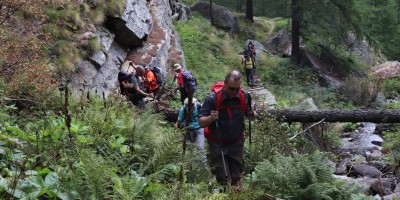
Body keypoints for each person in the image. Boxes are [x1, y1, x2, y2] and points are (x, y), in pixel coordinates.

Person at [198, 70, 256, 191]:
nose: (235, 92)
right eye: (231, 89)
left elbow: (252, 115)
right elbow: (201, 122)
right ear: (225, 83)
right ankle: (224, 194)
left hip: (236, 144)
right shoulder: (212, 99)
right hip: (217, 145)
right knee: (222, 179)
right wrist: (211, 118)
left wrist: (252, 113)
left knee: (236, 177)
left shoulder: (244, 96)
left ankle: (235, 195)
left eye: (237, 88)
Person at [176, 97, 207, 166]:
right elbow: (178, 122)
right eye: (188, 105)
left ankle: (205, 167)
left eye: (192, 104)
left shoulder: (199, 106)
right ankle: (192, 166)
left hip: (199, 129)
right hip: (188, 130)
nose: (190, 106)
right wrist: (177, 131)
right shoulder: (183, 109)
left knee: (200, 147)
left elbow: (204, 116)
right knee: (191, 148)